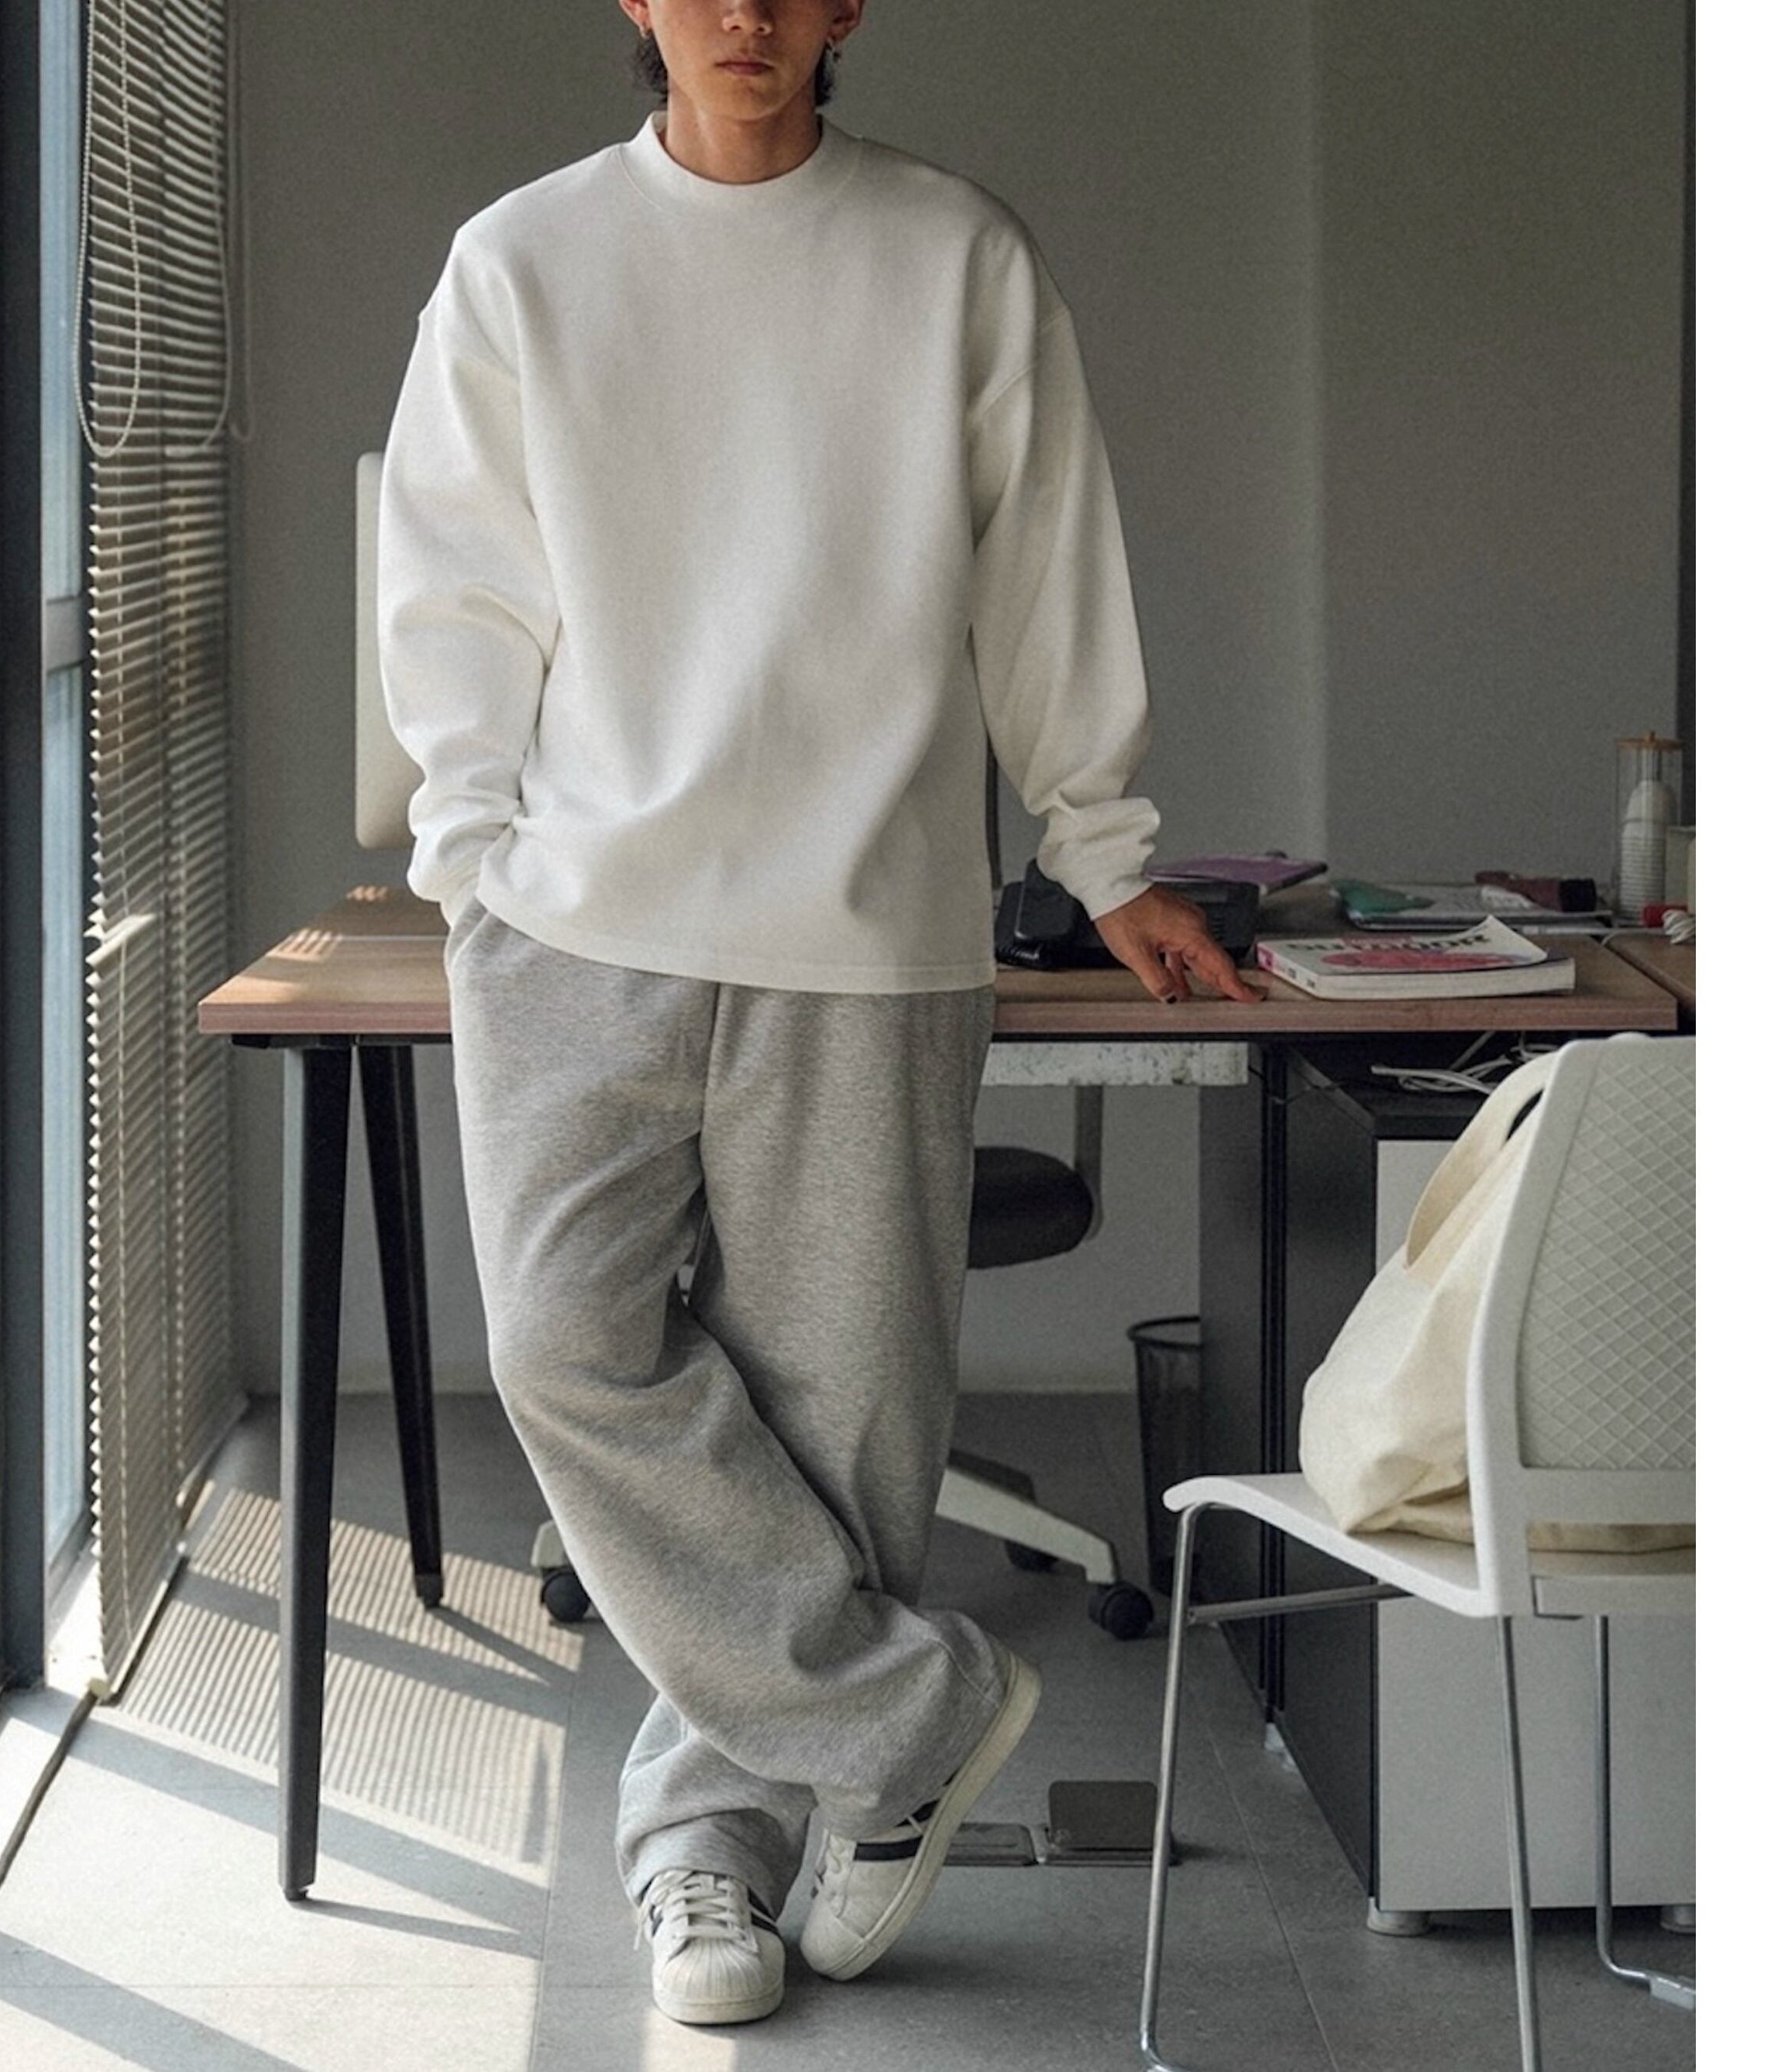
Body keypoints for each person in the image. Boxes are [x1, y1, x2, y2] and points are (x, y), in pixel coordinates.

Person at [376, 0, 1262, 2031]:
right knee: (561, 1344)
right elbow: (454, 584)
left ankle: (712, 1852)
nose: (746, 13)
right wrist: (471, 855)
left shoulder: (953, 255)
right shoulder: (525, 261)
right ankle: (908, 1717)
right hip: (577, 922)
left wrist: (1105, 850)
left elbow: (1045, 574)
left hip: (869, 925)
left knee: (842, 1431)